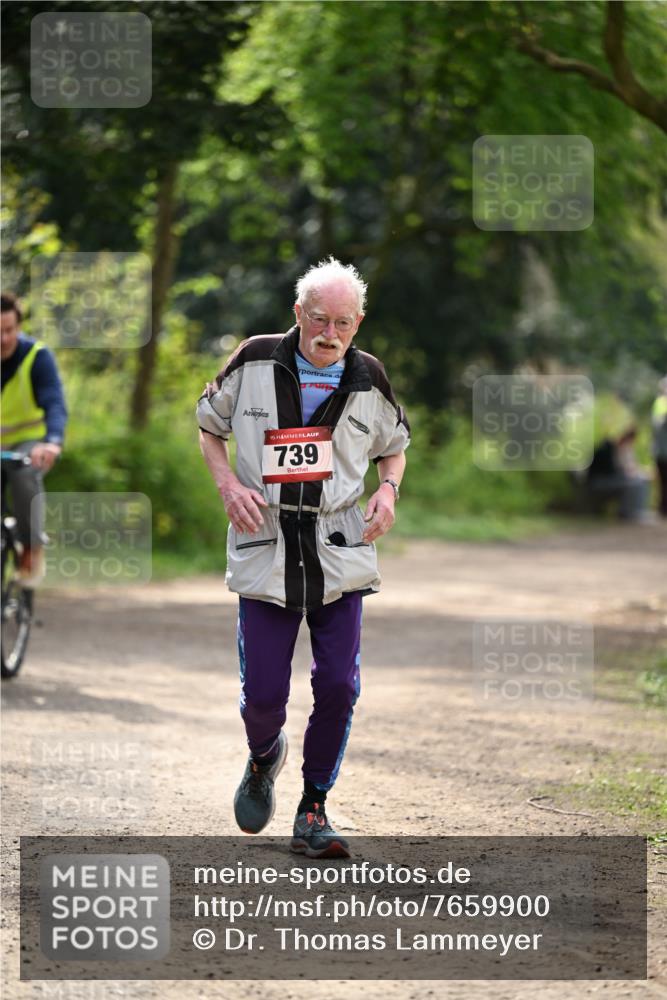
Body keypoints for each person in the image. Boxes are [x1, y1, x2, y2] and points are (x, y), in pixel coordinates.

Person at [197, 257, 409, 858]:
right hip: (267, 542)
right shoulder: (255, 358)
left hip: (340, 548)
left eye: (344, 323)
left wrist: (388, 490)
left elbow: (394, 446)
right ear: (298, 313)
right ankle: (264, 757)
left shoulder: (369, 377)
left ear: (358, 323)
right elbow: (209, 425)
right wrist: (228, 487)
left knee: (339, 686)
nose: (330, 334)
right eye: (320, 319)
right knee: (263, 697)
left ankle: (313, 807)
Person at [1, 292, 67, 585]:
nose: (3, 339)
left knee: (25, 472)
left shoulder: (36, 356)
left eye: (9, 330)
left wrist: (52, 441)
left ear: (18, 327)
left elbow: (54, 403)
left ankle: (31, 545)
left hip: (26, 442)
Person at [586, 426, 651, 522]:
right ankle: (627, 512)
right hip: (599, 482)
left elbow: (626, 468)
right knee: (634, 484)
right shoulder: (608, 450)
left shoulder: (620, 449)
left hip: (607, 479)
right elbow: (615, 470)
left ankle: (636, 511)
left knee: (640, 482)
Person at [651, 376, 667, 518]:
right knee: (663, 482)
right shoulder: (660, 403)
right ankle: (662, 509)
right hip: (662, 451)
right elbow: (658, 425)